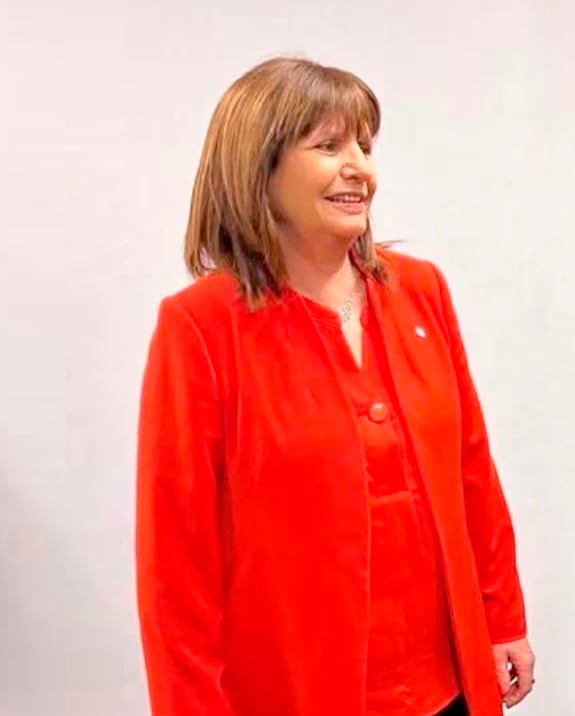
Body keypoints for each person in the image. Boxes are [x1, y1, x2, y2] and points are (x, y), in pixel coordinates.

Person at [135, 56, 535, 716]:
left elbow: (473, 475)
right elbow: (176, 566)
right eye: (328, 146)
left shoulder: (421, 290)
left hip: (448, 687)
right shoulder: (200, 326)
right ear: (259, 169)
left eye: (365, 147)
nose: (359, 168)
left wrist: (502, 619)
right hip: (295, 692)